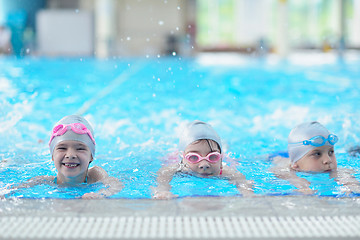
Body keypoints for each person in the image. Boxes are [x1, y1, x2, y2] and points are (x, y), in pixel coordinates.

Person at [6, 115, 123, 199]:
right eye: (62, 148)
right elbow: (16, 188)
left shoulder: (95, 174)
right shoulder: (44, 181)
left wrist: (100, 194)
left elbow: (115, 185)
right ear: (52, 155)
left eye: (80, 148)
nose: (70, 155)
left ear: (91, 156)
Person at [152, 120, 254, 199]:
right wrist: (162, 190)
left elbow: (241, 181)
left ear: (220, 158)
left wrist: (246, 191)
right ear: (183, 159)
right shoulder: (179, 168)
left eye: (213, 157)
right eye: (193, 157)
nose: (204, 164)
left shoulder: (225, 171)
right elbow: (163, 175)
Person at [271, 121, 360, 194]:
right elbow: (276, 171)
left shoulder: (336, 170)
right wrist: (298, 182)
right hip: (277, 156)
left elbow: (346, 176)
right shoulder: (289, 168)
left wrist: (351, 184)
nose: (328, 160)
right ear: (296, 164)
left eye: (331, 152)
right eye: (317, 154)